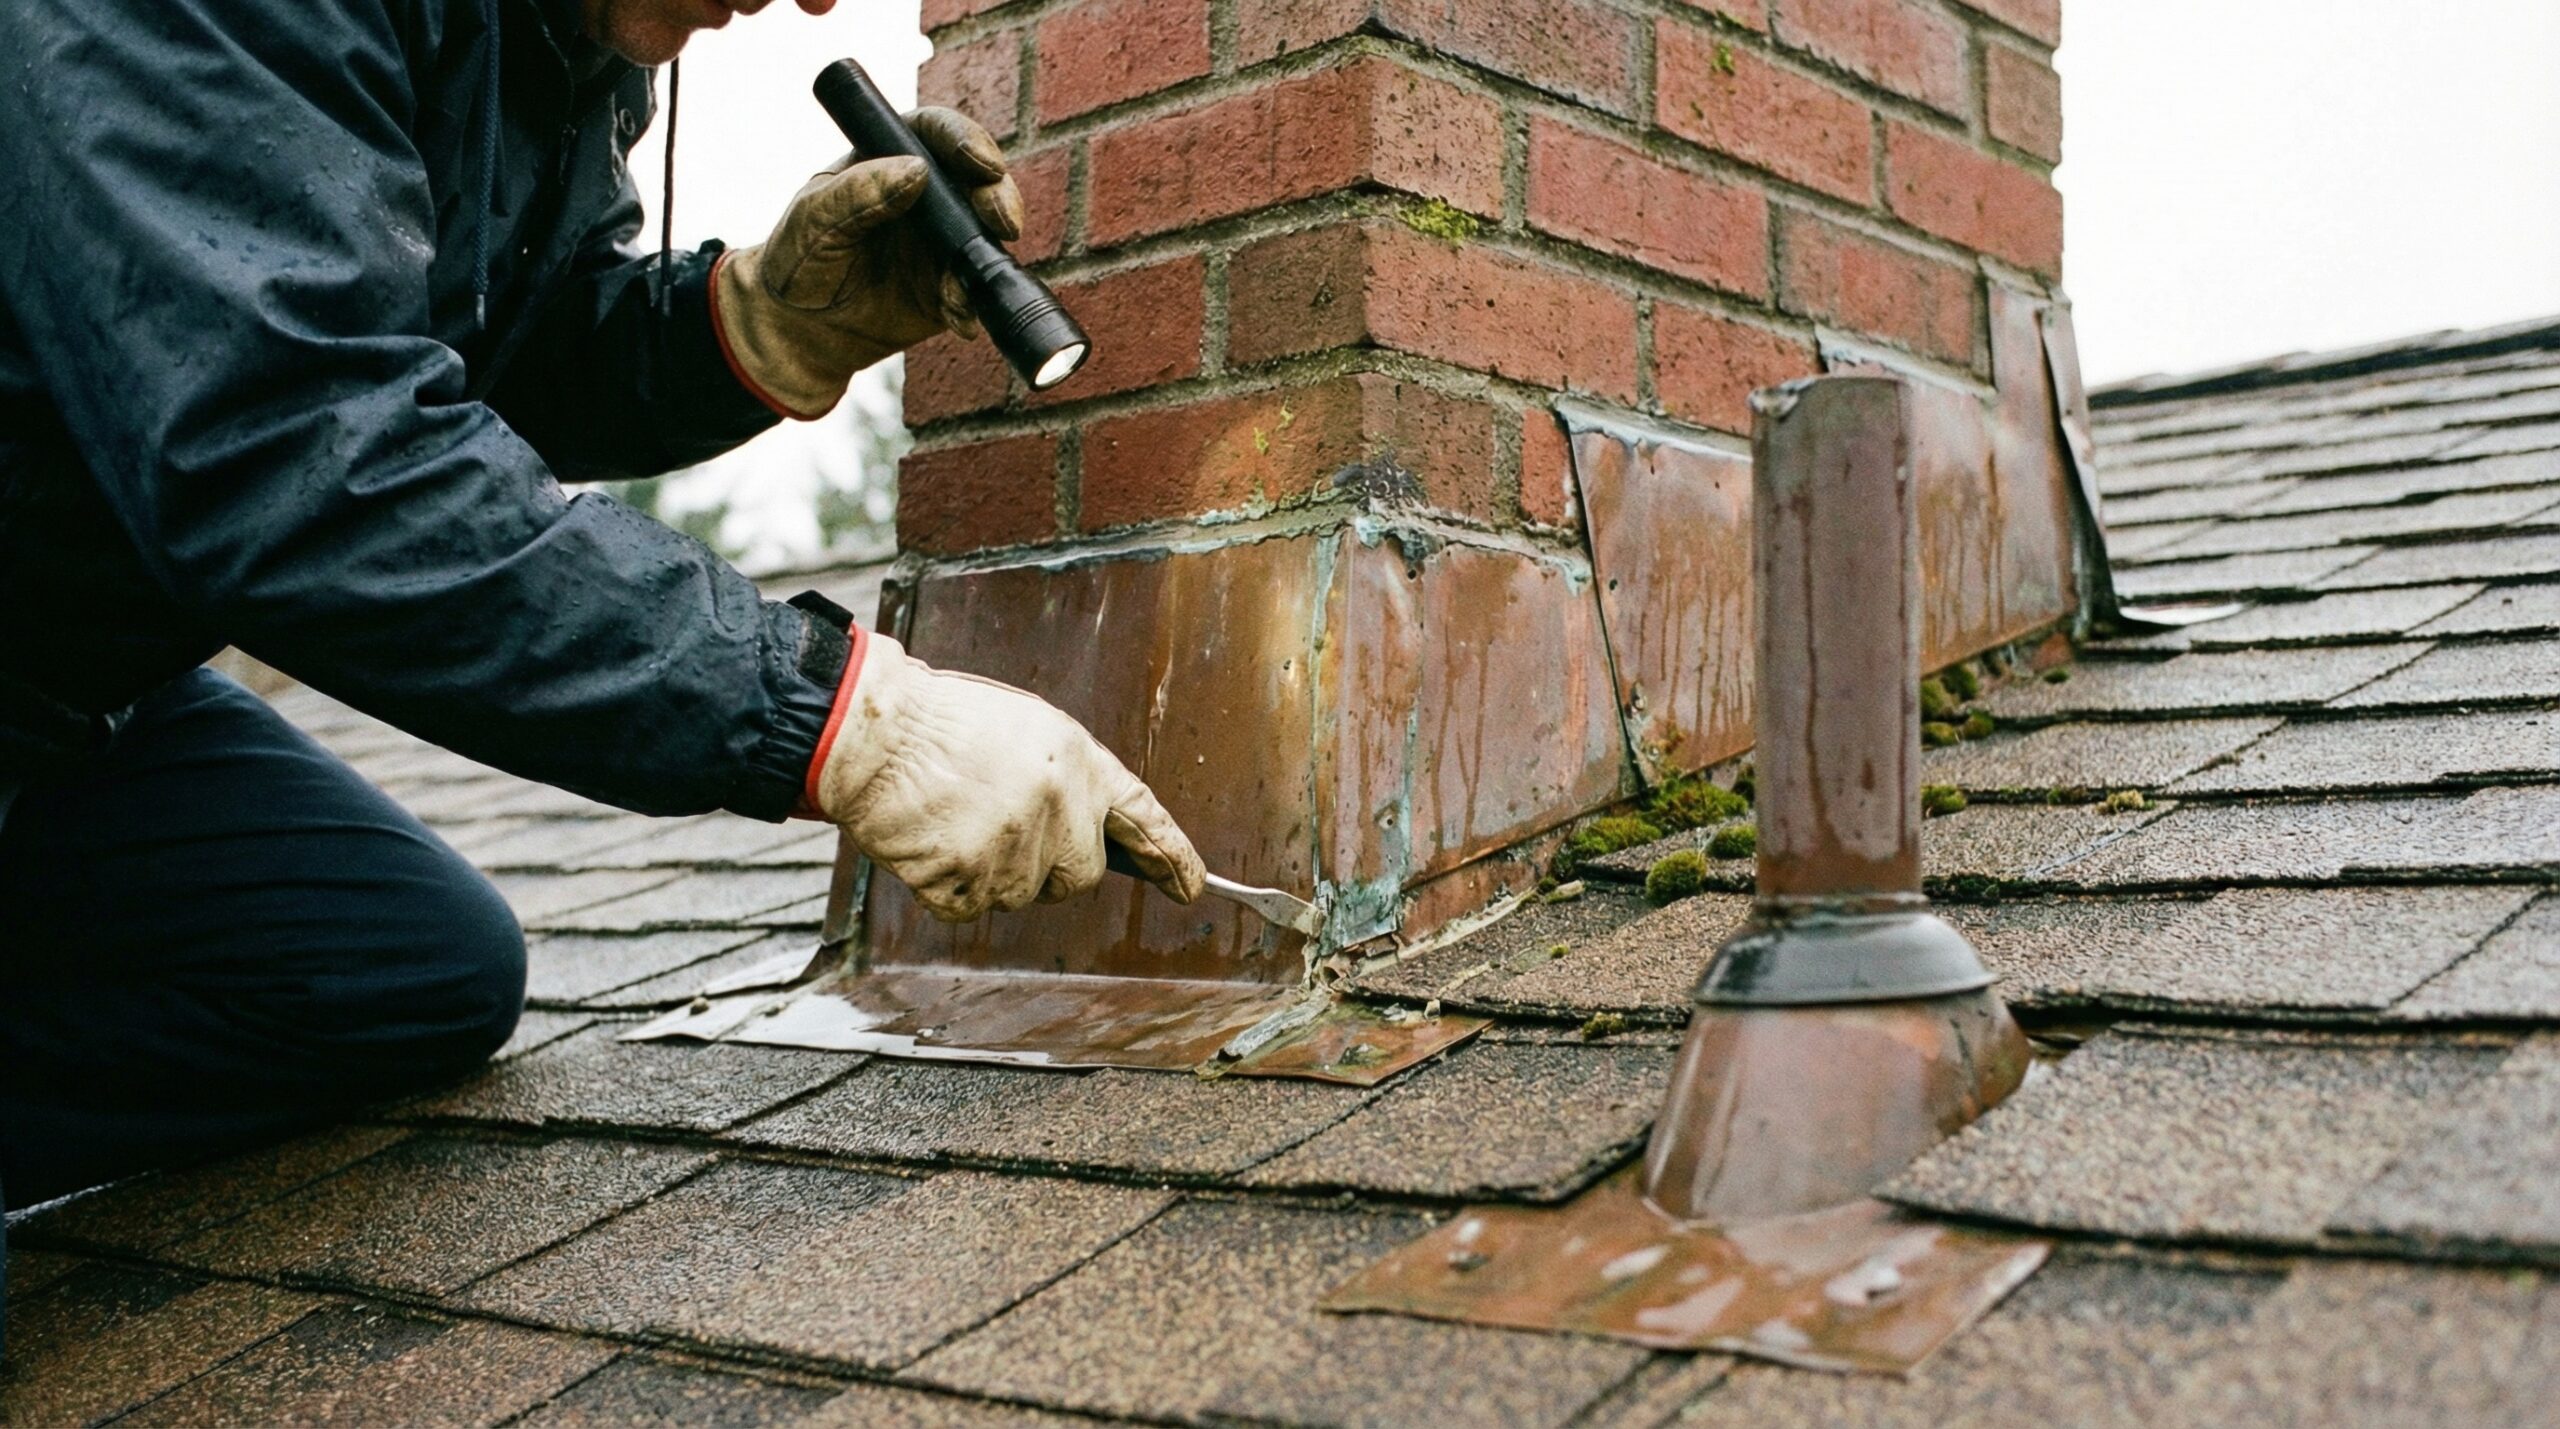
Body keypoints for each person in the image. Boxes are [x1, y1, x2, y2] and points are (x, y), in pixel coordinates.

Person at [0, 0, 1204, 1339]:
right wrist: (844, 718)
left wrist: (752, 321)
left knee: (404, 974)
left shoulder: (551, 37)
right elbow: (296, 443)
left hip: (67, 698)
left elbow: (476, 349)